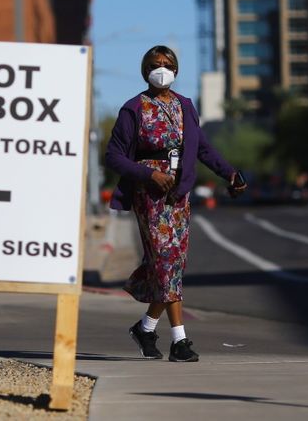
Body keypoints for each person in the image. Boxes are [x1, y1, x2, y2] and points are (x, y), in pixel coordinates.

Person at [105, 45, 246, 362]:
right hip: (150, 194)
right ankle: (180, 341)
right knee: (167, 263)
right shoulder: (134, 109)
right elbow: (113, 156)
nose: (161, 68)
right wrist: (148, 175)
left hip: (178, 193)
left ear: (177, 70)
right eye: (155, 64)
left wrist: (230, 174)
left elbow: (203, 148)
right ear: (145, 70)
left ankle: (146, 327)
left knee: (172, 266)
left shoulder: (185, 106)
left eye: (167, 64)